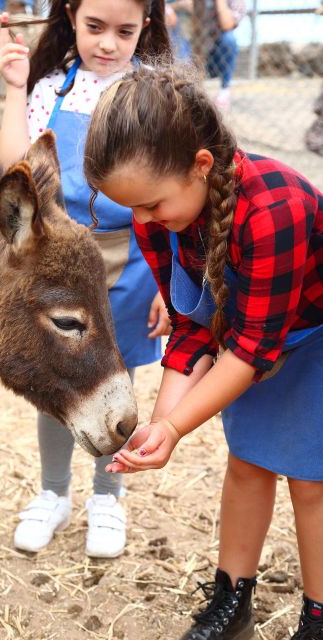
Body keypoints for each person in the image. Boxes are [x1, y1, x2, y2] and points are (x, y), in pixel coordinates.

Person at [83, 64, 323, 638]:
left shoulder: (275, 209)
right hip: (250, 340)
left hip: (310, 337)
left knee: (312, 483)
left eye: (150, 205)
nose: (142, 222)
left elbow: (252, 350)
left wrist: (176, 429)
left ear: (201, 165)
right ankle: (231, 601)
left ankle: (318, 615)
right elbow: (194, 327)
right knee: (247, 465)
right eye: (133, 209)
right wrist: (161, 425)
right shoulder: (161, 217)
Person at [0, 1, 172, 559]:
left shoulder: (153, 94)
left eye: (125, 31)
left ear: (146, 24)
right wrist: (14, 87)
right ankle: (54, 493)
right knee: (59, 383)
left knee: (114, 385)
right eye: (95, 27)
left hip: (134, 265)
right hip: (64, 271)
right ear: (70, 14)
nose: (107, 44)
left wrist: (173, 289)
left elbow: (169, 197)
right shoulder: (51, 89)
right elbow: (15, 170)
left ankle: (106, 496)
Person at [192, 0, 246, 110]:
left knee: (229, 39)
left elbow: (227, 25)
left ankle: (224, 90)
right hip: (200, 44)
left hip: (218, 51)